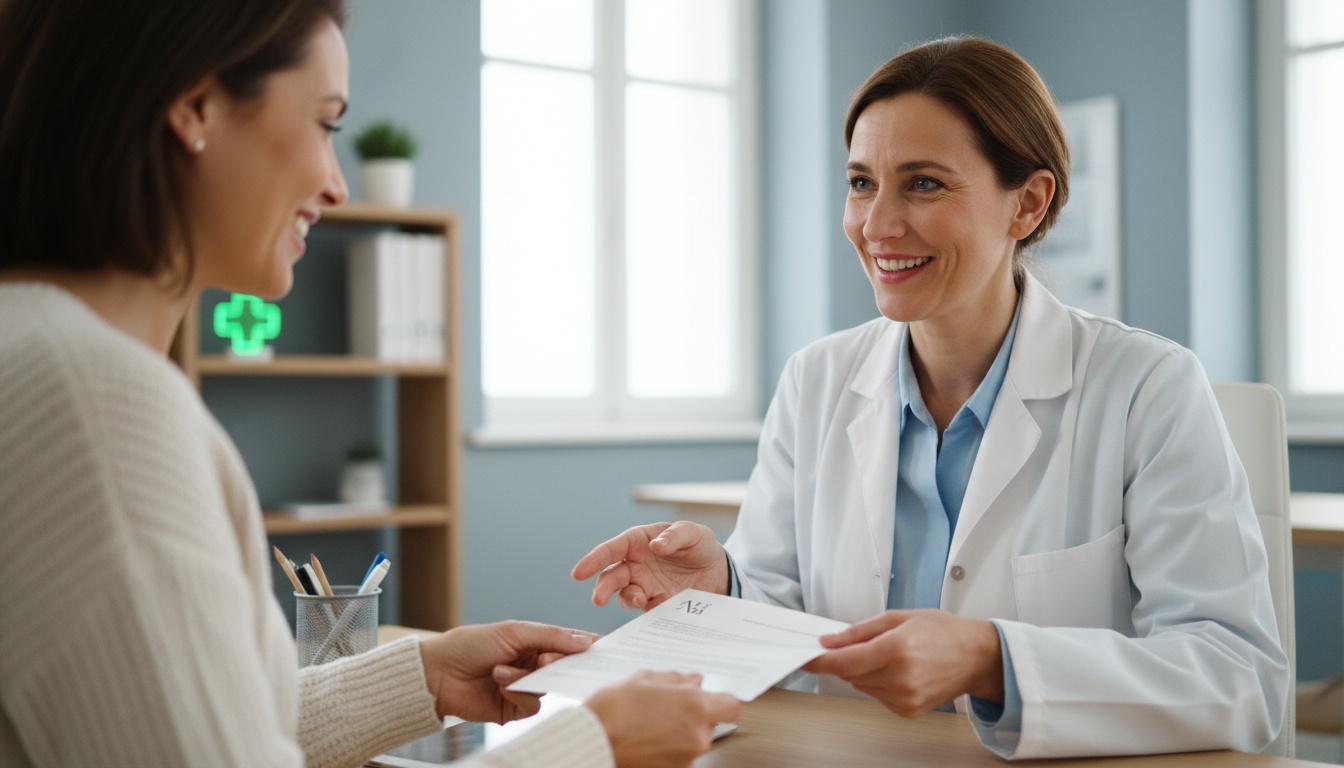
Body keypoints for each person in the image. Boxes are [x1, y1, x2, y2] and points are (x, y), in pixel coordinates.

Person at [0, 1, 737, 767]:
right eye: (326, 125)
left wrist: (423, 675)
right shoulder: (94, 404)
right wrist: (595, 745)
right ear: (195, 106)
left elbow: (193, 725)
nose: (337, 186)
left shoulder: (41, 357)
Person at [573, 35, 1288, 759]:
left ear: (1028, 205)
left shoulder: (1147, 388)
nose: (877, 224)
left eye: (924, 184)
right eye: (860, 183)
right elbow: (784, 618)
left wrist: (992, 659)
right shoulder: (815, 381)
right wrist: (723, 587)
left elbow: (1240, 676)